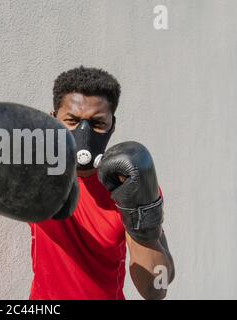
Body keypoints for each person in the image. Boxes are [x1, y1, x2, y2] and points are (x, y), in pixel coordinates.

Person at [28, 66, 175, 300]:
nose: (84, 133)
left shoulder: (127, 182)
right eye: (72, 121)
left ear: (112, 125)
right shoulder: (37, 172)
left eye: (97, 123)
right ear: (54, 120)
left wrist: (137, 214)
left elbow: (157, 287)